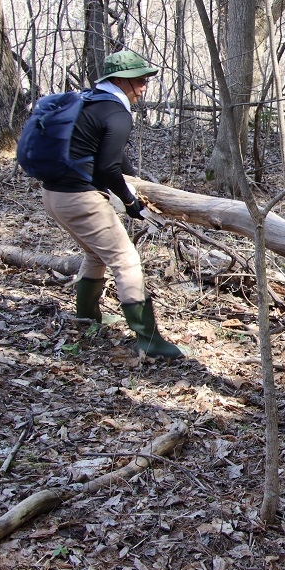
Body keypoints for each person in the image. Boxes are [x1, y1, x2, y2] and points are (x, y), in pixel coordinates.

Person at [40, 49, 189, 358]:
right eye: (140, 80)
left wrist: (135, 182)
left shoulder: (89, 102)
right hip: (80, 199)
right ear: (120, 80)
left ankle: (86, 317)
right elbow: (108, 168)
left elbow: (110, 152)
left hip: (53, 195)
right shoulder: (117, 113)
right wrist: (130, 201)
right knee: (126, 260)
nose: (144, 86)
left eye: (145, 79)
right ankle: (149, 340)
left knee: (95, 254)